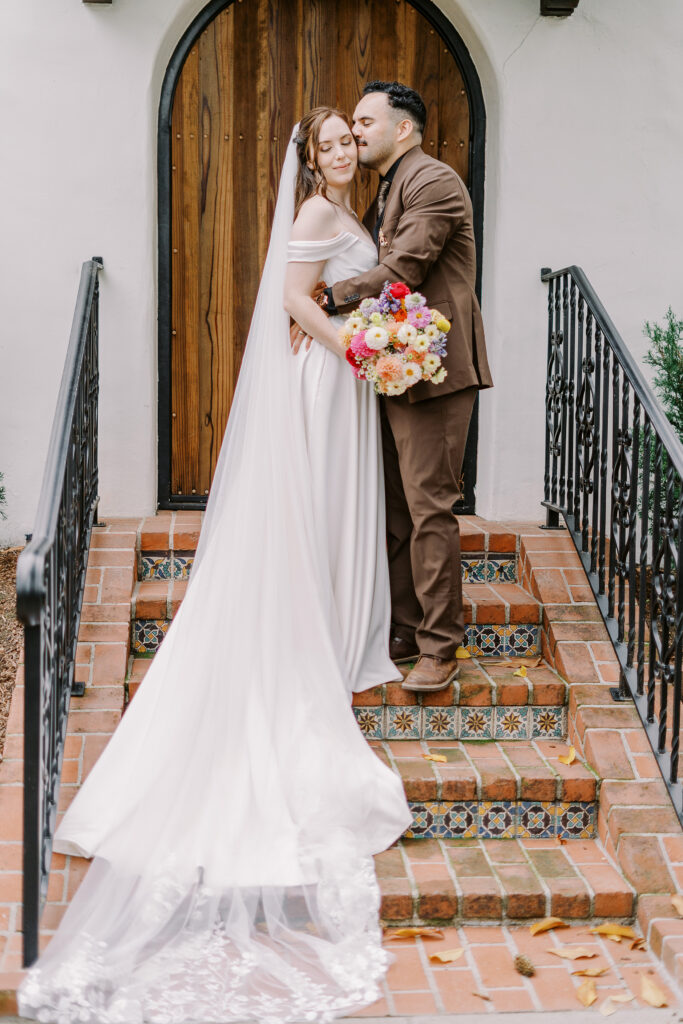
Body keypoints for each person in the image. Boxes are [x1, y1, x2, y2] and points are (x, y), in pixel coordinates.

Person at [17, 108, 412, 1024]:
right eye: (328, 145)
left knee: (327, 517)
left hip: (336, 378)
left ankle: (330, 630)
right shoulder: (317, 214)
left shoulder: (347, 205)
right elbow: (294, 303)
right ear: (310, 159)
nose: (342, 152)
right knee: (312, 513)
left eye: (350, 141)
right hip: (323, 378)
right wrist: (357, 346)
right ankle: (312, 640)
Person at [292, 82, 493, 694]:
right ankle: (405, 627)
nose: (354, 134)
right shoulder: (381, 194)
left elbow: (405, 269)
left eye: (363, 122)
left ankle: (439, 646)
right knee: (398, 508)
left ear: (401, 128)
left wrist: (324, 299)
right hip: (392, 372)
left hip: (435, 373)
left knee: (430, 507)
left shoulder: (431, 181)